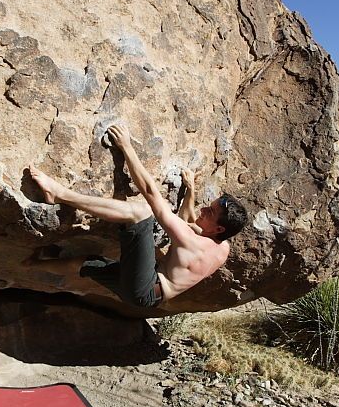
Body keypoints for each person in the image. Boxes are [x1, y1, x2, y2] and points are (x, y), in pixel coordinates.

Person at [29, 123, 248, 308]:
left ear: (220, 228)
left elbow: (151, 193)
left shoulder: (193, 243)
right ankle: (30, 265)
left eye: (209, 212)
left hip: (146, 288)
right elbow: (190, 222)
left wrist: (126, 147)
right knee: (87, 262)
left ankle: (59, 194)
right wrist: (190, 190)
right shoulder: (222, 247)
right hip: (148, 295)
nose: (202, 210)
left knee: (140, 213)